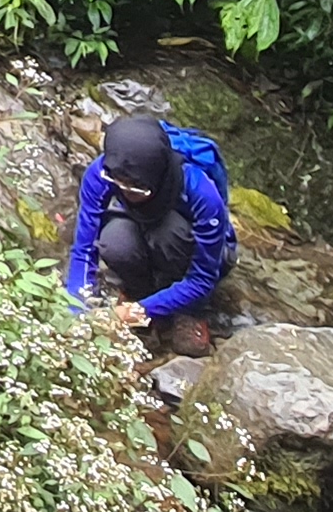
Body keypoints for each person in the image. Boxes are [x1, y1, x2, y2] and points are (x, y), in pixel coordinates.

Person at [64, 111, 236, 355]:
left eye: (136, 187)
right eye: (120, 185)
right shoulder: (102, 173)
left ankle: (189, 310)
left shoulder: (201, 191)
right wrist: (77, 308)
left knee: (168, 233)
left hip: (185, 242)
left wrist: (138, 312)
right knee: (114, 241)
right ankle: (140, 289)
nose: (127, 192)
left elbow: (202, 278)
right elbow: (83, 249)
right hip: (139, 223)